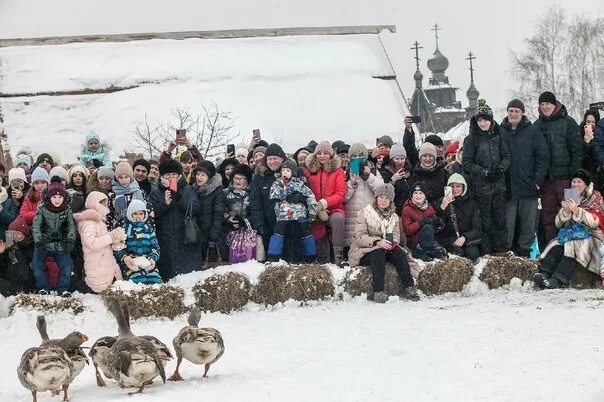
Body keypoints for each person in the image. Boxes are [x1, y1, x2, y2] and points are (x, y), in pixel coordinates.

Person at [348, 183, 419, 303]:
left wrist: (392, 243)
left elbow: (396, 236)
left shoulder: (394, 217)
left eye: (387, 198)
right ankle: (378, 291)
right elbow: (359, 237)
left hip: (386, 247)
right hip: (366, 250)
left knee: (399, 254)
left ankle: (409, 287)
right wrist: (377, 242)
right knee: (378, 253)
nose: (383, 200)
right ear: (376, 198)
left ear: (390, 201)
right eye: (381, 197)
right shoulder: (365, 213)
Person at [535, 169, 604, 289]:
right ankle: (544, 274)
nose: (575, 184)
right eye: (573, 182)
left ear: (586, 184)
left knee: (572, 247)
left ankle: (558, 280)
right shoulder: (571, 198)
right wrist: (566, 212)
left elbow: (595, 222)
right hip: (572, 234)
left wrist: (577, 211)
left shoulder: (595, 198)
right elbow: (558, 224)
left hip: (592, 236)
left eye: (579, 182)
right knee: (557, 246)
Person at [500, 99, 549, 256]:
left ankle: (525, 251)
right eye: (511, 111)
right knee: (508, 223)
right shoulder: (500, 131)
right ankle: (506, 251)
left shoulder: (532, 131)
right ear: (507, 112)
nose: (514, 114)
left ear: (522, 113)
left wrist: (537, 181)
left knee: (528, 223)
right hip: (507, 187)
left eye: (517, 111)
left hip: (528, 186)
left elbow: (542, 156)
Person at [462, 99, 511, 254]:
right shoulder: (471, 139)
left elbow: (507, 156)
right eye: (480, 120)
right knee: (484, 220)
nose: (483, 123)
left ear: (491, 121)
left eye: (485, 120)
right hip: (481, 187)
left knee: (500, 219)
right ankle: (486, 251)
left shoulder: (498, 136)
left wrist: (501, 169)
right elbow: (467, 163)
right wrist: (484, 172)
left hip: (498, 185)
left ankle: (501, 250)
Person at [533, 91, 582, 242]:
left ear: (555, 104)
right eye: (542, 104)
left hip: (567, 178)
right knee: (549, 216)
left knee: (572, 213)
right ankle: (553, 247)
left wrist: (575, 173)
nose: (545, 107)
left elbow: (577, 148)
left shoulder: (568, 122)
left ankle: (574, 246)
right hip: (547, 180)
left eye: (547, 103)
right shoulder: (537, 125)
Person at [149, 159, 201, 279]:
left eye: (174, 174)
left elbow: (195, 208)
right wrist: (164, 204)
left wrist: (177, 194)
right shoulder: (156, 191)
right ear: (162, 176)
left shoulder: (188, 189)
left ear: (179, 175)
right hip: (164, 239)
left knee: (188, 278)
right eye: (167, 175)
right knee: (168, 277)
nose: (171, 177)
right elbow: (151, 213)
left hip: (185, 238)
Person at [304, 141, 347, 265]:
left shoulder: (337, 171)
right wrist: (314, 206)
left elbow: (340, 193)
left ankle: (339, 256)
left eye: (326, 153)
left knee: (338, 220)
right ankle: (323, 260)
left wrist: (324, 203)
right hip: (314, 208)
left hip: (333, 207)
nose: (322, 156)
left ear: (331, 155)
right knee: (316, 227)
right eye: (319, 153)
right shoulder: (308, 171)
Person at [31, 178, 76, 297]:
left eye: (60, 197)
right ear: (49, 197)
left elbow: (71, 225)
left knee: (66, 265)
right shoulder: (42, 209)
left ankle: (63, 289)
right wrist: (39, 241)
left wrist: (70, 239)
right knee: (37, 264)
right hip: (44, 243)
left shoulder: (67, 210)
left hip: (60, 244)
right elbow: (36, 226)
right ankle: (43, 287)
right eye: (54, 197)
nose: (57, 200)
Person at [74, 191, 125, 293]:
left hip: (105, 265)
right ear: (94, 204)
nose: (105, 206)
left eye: (105, 204)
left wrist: (115, 241)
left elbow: (103, 241)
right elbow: (91, 243)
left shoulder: (99, 220)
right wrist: (111, 237)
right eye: (102, 203)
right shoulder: (89, 222)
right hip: (97, 267)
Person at [267, 160, 317, 263]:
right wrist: (281, 185)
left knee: (306, 234)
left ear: (293, 172)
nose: (285, 172)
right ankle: (273, 256)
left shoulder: (300, 184)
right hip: (283, 215)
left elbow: (310, 196)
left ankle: (311, 257)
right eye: (283, 170)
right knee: (278, 234)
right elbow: (274, 196)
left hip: (299, 215)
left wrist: (312, 211)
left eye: (288, 170)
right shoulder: (276, 184)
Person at [343, 143, 384, 256]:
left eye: (360, 155)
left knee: (369, 247)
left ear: (365, 157)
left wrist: (369, 176)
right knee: (352, 250)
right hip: (351, 219)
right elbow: (343, 198)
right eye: (354, 155)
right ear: (350, 158)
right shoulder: (345, 173)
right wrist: (352, 182)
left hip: (369, 217)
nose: (357, 158)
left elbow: (382, 192)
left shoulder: (374, 171)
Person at [250, 144, 286, 261]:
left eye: (275, 158)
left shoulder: (290, 173)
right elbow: (255, 203)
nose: (272, 162)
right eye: (269, 159)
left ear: (282, 159)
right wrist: (259, 224)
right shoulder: (259, 177)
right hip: (267, 225)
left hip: (287, 224)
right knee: (271, 260)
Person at [436, 173, 482, 261]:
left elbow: (477, 227)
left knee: (472, 254)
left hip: (467, 238)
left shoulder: (472, 203)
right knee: (458, 254)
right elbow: (438, 225)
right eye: (452, 186)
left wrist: (464, 237)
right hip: (449, 238)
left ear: (463, 187)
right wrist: (442, 207)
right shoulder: (442, 201)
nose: (455, 189)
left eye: (458, 186)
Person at [115, 199, 162, 284]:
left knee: (155, 279)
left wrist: (152, 258)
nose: (138, 216)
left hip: (147, 260)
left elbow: (156, 247)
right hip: (132, 262)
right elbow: (118, 248)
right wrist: (125, 257)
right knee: (138, 279)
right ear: (130, 214)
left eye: (141, 213)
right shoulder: (124, 229)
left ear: (145, 214)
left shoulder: (149, 229)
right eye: (135, 214)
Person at [192, 160, 226, 265]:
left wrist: (214, 235)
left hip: (212, 235)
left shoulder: (217, 191)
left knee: (212, 265)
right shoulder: (193, 189)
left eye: (203, 175)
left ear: (209, 177)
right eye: (198, 174)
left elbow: (218, 214)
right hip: (198, 233)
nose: (199, 177)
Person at [402, 182, 446, 261]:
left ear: (425, 195)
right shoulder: (407, 209)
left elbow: (435, 227)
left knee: (429, 229)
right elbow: (407, 230)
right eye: (415, 193)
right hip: (414, 241)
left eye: (420, 193)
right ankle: (421, 251)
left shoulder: (429, 207)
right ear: (412, 195)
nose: (418, 196)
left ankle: (430, 250)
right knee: (427, 228)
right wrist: (421, 223)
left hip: (428, 239)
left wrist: (439, 224)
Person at [0, 216, 36, 296]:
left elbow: (23, 274)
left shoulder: (32, 246)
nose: (16, 236)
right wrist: (3, 254)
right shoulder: (11, 247)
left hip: (26, 288)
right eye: (12, 233)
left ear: (25, 233)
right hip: (12, 283)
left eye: (18, 233)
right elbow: (2, 272)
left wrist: (13, 252)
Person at [107, 162, 148, 229]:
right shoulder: (113, 195)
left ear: (131, 177)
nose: (124, 180)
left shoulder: (140, 192)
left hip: (139, 229)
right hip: (120, 229)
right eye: (121, 177)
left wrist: (148, 228)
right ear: (117, 179)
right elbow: (109, 214)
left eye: (126, 177)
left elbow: (148, 211)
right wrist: (110, 230)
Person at [379, 143, 412, 215]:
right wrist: (393, 180)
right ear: (392, 159)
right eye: (397, 159)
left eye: (402, 159)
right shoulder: (385, 172)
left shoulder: (409, 171)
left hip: (408, 210)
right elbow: (384, 191)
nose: (400, 161)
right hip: (394, 211)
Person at [224, 164, 253, 232]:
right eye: (235, 178)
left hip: (249, 233)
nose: (237, 181)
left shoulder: (253, 193)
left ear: (247, 179)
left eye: (240, 179)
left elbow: (257, 213)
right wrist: (228, 219)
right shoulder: (225, 193)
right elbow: (219, 211)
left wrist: (244, 221)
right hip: (228, 231)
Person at [579, 109, 601, 191]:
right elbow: (579, 156)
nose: (591, 124)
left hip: (597, 176)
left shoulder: (600, 135)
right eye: (588, 121)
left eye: (593, 122)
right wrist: (586, 142)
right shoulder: (578, 133)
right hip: (581, 175)